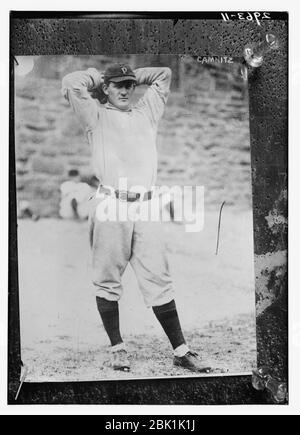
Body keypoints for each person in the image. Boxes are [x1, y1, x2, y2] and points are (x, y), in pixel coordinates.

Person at [61, 63, 211, 373]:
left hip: (145, 205)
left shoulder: (147, 112)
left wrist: (125, 74)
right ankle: (117, 348)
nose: (126, 89)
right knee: (107, 280)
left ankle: (181, 350)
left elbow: (164, 74)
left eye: (129, 84)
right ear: (106, 89)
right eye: (118, 85)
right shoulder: (95, 115)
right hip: (111, 202)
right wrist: (101, 77)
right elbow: (72, 82)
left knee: (159, 277)